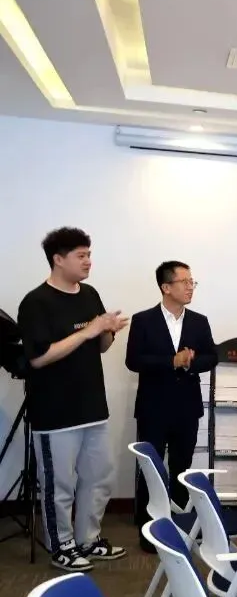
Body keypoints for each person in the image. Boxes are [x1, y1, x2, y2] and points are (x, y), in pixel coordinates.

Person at [17, 227, 129, 571]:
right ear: (58, 259)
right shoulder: (36, 302)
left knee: (99, 478)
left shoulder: (90, 294)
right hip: (55, 413)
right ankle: (62, 546)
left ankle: (88, 539)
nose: (88, 261)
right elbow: (38, 358)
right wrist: (88, 331)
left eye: (89, 254)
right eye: (81, 255)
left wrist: (107, 331)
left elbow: (100, 346)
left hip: (93, 407)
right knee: (59, 485)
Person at [126, 261, 217, 552]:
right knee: (150, 470)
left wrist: (190, 364)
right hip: (153, 407)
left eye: (192, 282)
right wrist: (171, 361)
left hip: (187, 408)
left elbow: (211, 356)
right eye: (184, 282)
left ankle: (179, 530)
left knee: (181, 468)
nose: (190, 287)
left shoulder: (199, 321)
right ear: (166, 287)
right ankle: (148, 533)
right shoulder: (143, 320)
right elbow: (133, 360)